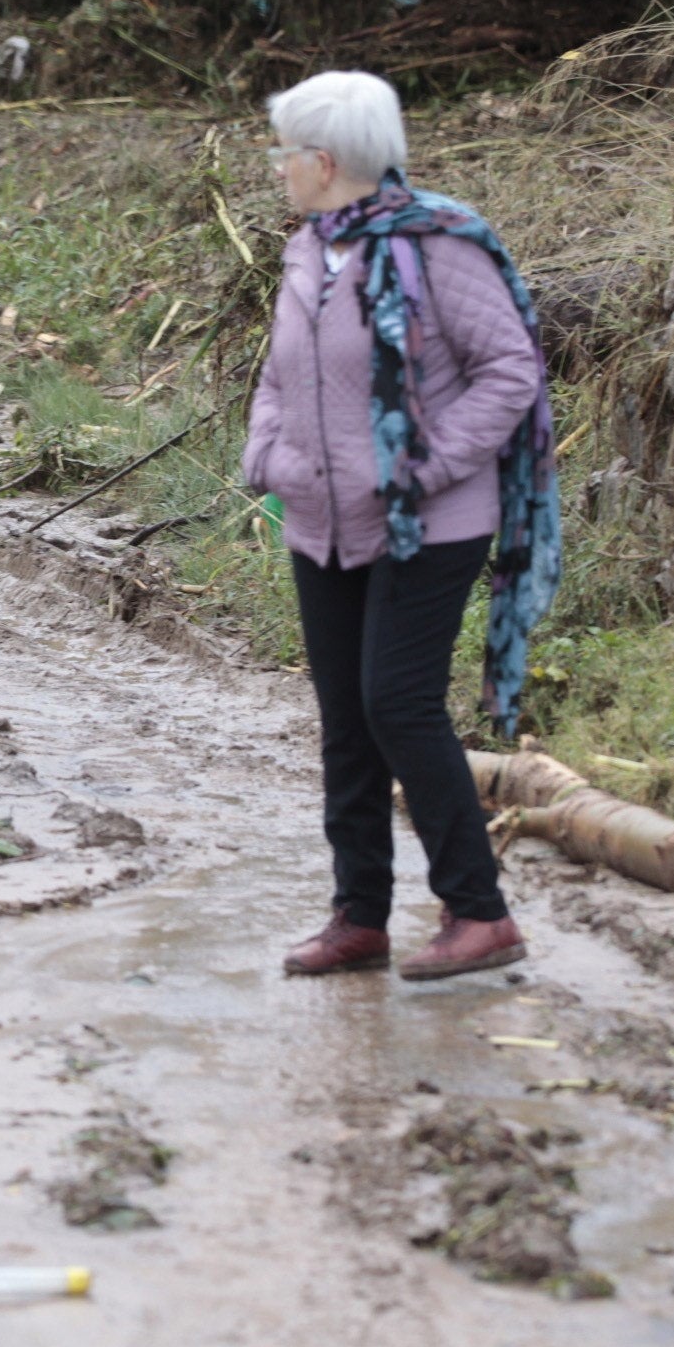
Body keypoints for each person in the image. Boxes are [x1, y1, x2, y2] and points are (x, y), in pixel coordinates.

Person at [241, 71, 562, 981]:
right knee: (345, 717)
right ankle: (360, 916)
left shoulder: (437, 247)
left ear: (326, 160)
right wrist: (267, 455)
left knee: (398, 704)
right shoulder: (312, 249)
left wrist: (421, 467)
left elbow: (510, 371)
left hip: (431, 524)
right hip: (321, 520)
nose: (279, 170)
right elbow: (279, 372)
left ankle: (479, 913)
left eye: (286, 154)